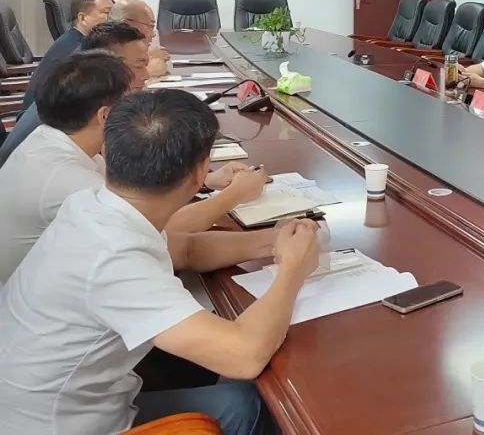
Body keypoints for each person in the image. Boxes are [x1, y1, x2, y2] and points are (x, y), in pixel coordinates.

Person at [0, 89, 320, 435]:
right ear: (200, 172)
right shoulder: (114, 256)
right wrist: (292, 271)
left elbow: (186, 249)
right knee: (252, 405)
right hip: (61, 426)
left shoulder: (95, 205)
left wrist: (273, 240)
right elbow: (243, 356)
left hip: (49, 403)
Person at [0, 52, 268, 283]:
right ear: (105, 115)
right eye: (133, 98)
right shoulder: (66, 178)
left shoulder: (58, 140)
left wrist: (204, 181)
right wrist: (234, 195)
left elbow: (141, 206)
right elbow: (161, 231)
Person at [0, 21, 150, 167]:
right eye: (139, 66)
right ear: (109, 66)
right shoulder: (76, 114)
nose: (146, 75)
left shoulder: (77, 94)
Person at [22, 0, 113, 108]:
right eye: (107, 13)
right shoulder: (77, 50)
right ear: (82, 18)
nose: (113, 19)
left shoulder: (76, 39)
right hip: (44, 115)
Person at [111, 0, 172, 77]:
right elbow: (110, 82)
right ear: (126, 25)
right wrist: (149, 71)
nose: (153, 34)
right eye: (150, 26)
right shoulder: (103, 52)